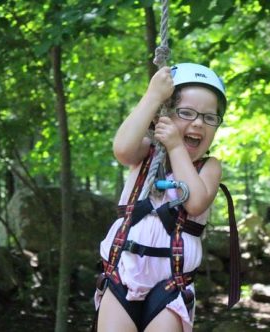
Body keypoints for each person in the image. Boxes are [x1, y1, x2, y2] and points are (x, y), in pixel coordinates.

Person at [95, 63, 227, 332]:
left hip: (172, 286)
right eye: (186, 113)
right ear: (163, 116)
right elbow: (122, 149)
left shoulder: (209, 167)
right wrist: (153, 96)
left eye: (209, 118)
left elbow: (196, 202)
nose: (198, 123)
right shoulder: (146, 154)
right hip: (124, 272)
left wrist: (177, 145)